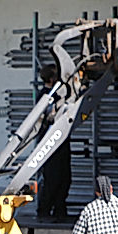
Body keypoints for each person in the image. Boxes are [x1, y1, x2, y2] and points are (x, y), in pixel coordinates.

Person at [34, 64, 71, 221]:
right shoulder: (46, 96)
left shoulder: (58, 94)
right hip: (50, 142)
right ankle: (45, 210)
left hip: (61, 141)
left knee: (65, 178)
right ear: (51, 79)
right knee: (53, 178)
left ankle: (59, 210)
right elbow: (49, 117)